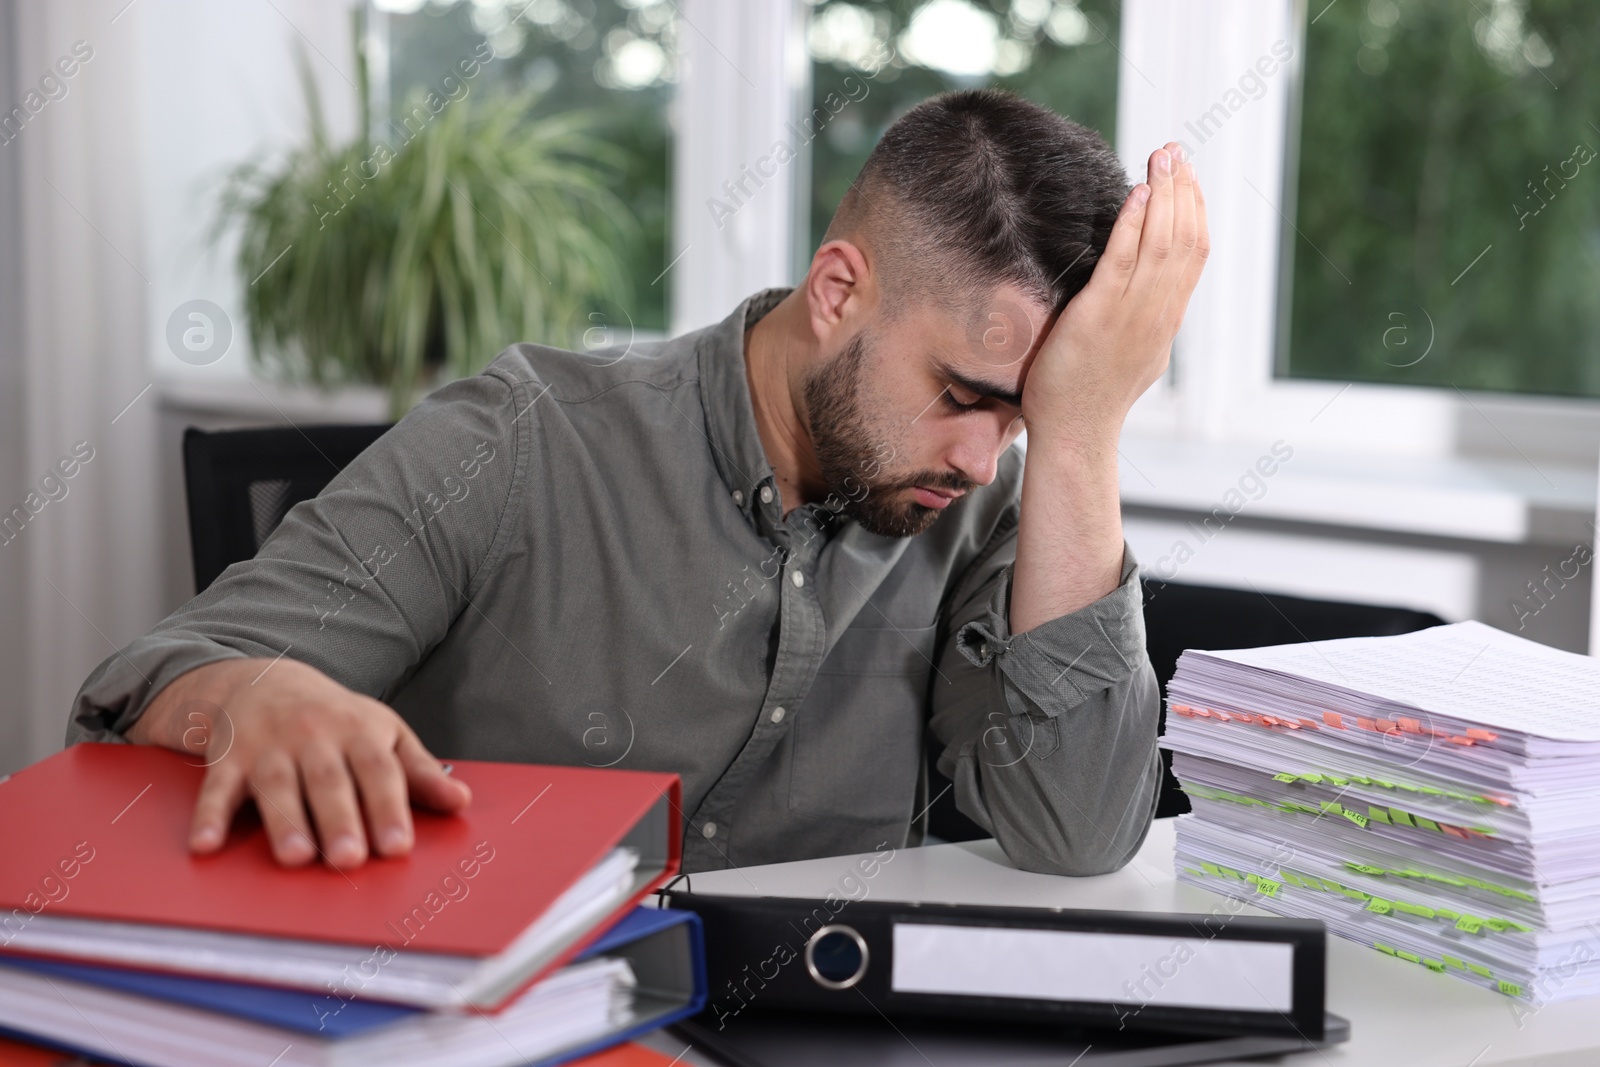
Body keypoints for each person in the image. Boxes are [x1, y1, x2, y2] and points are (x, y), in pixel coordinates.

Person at [69, 88, 1208, 877]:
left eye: (1028, 411)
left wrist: (1080, 437)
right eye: (963, 393)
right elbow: (154, 679)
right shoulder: (524, 435)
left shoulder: (994, 500)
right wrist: (257, 696)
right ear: (837, 289)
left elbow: (1077, 830)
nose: (979, 455)